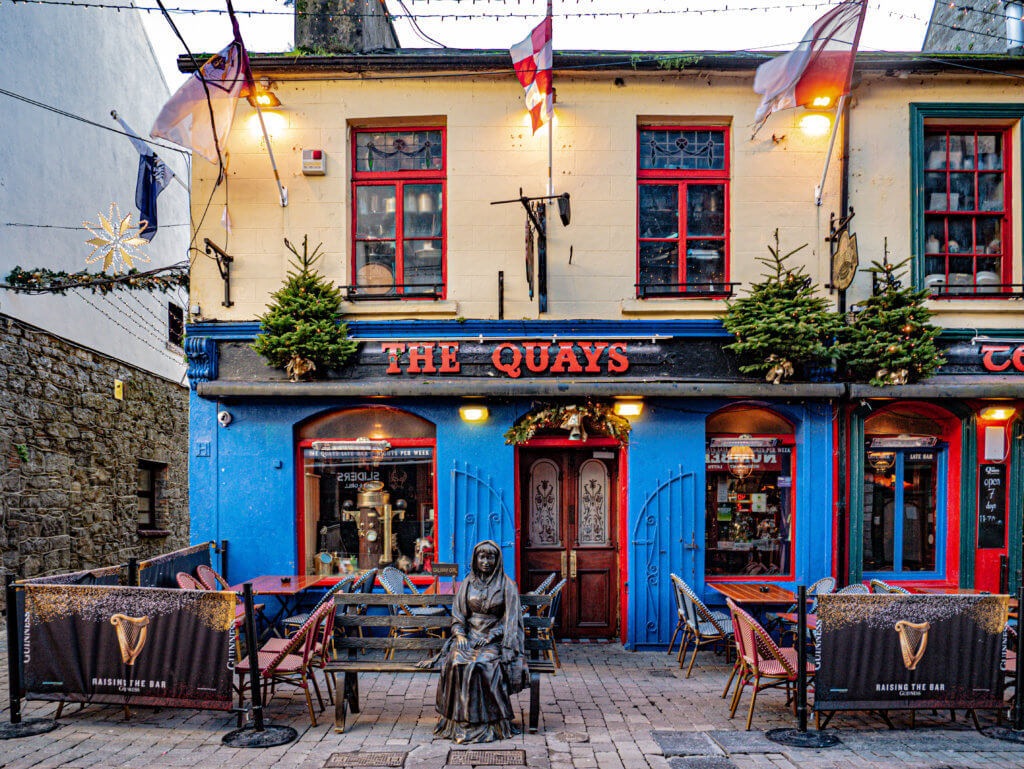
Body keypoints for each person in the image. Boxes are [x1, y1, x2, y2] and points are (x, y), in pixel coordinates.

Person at [419, 540, 528, 742]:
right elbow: (458, 616)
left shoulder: (507, 585)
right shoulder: (467, 584)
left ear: (497, 560)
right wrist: (460, 635)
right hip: (469, 637)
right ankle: (458, 722)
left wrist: (491, 636)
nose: (486, 562)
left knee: (482, 665)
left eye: (490, 557)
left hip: (495, 640)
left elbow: (511, 620)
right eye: (482, 557)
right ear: (475, 560)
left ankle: (489, 723)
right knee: (456, 662)